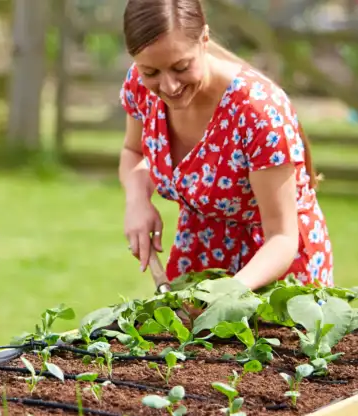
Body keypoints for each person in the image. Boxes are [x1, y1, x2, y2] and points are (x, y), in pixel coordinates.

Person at [118, 0, 334, 291]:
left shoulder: (257, 111)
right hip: (201, 258)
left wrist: (226, 294)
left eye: (180, 67)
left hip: (276, 273)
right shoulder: (140, 86)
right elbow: (134, 152)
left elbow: (282, 238)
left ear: (204, 39)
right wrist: (137, 200)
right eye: (151, 72)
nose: (168, 87)